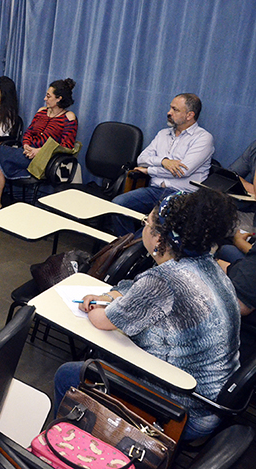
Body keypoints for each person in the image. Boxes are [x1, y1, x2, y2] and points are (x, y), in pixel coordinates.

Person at [55, 189, 240, 441]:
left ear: (159, 238)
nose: (143, 228)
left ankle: (72, 451)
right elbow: (137, 290)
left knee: (68, 374)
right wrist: (113, 296)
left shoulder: (164, 279)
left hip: (184, 410)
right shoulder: (208, 264)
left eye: (146, 223)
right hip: (214, 401)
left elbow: (101, 320)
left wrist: (97, 303)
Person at [0, 78, 77, 212]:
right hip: (27, 153)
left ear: (59, 98)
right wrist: (26, 146)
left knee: (0, 151)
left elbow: (66, 145)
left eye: (48, 96)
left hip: (45, 159)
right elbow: (28, 133)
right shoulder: (41, 112)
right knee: (1, 162)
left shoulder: (69, 117)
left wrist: (39, 151)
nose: (45, 98)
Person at [111, 93, 213, 236]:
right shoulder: (163, 134)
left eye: (175, 110)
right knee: (118, 205)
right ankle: (126, 246)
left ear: (190, 115)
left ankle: (130, 251)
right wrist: (163, 161)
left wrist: (149, 171)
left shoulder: (203, 138)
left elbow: (182, 171)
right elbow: (142, 159)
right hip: (155, 190)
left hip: (183, 197)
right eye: (170, 108)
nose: (169, 113)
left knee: (152, 226)